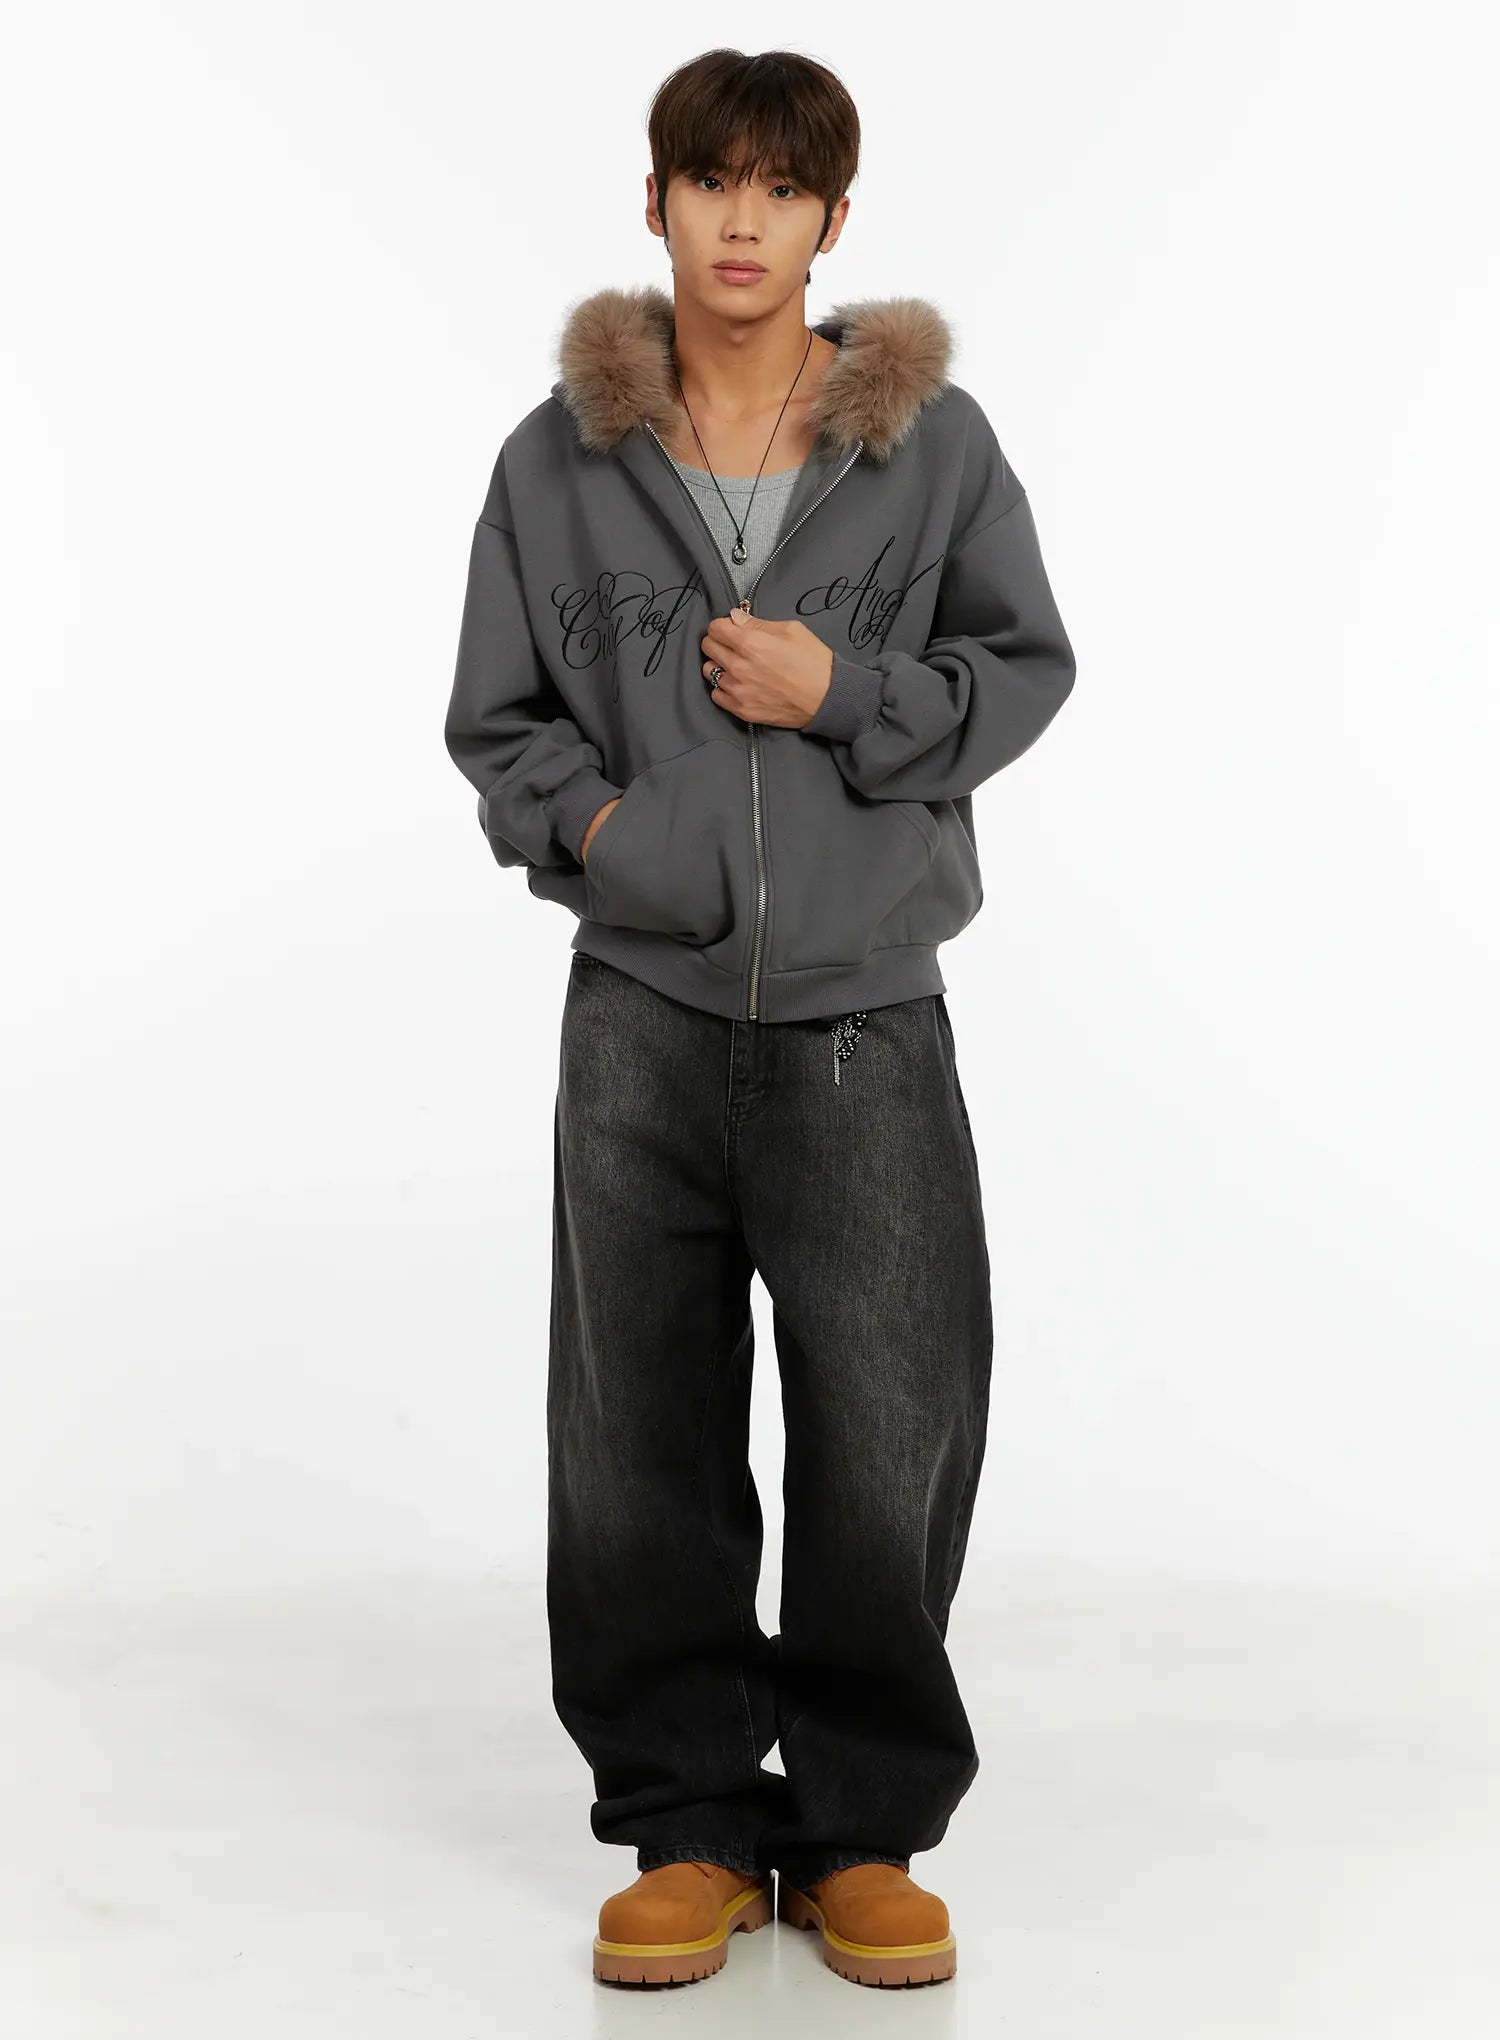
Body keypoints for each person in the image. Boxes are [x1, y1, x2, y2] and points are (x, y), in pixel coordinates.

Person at [443, 45, 1076, 1990]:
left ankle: (862, 1827)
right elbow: (499, 723)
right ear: (655, 204)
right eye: (710, 181)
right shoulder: (554, 461)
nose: (743, 219)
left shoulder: (931, 448)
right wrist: (611, 836)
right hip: (639, 1013)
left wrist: (843, 694)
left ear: (831, 220)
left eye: (782, 189)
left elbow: (1024, 667)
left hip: (866, 1015)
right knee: (636, 1434)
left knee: (890, 1424)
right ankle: (691, 1825)